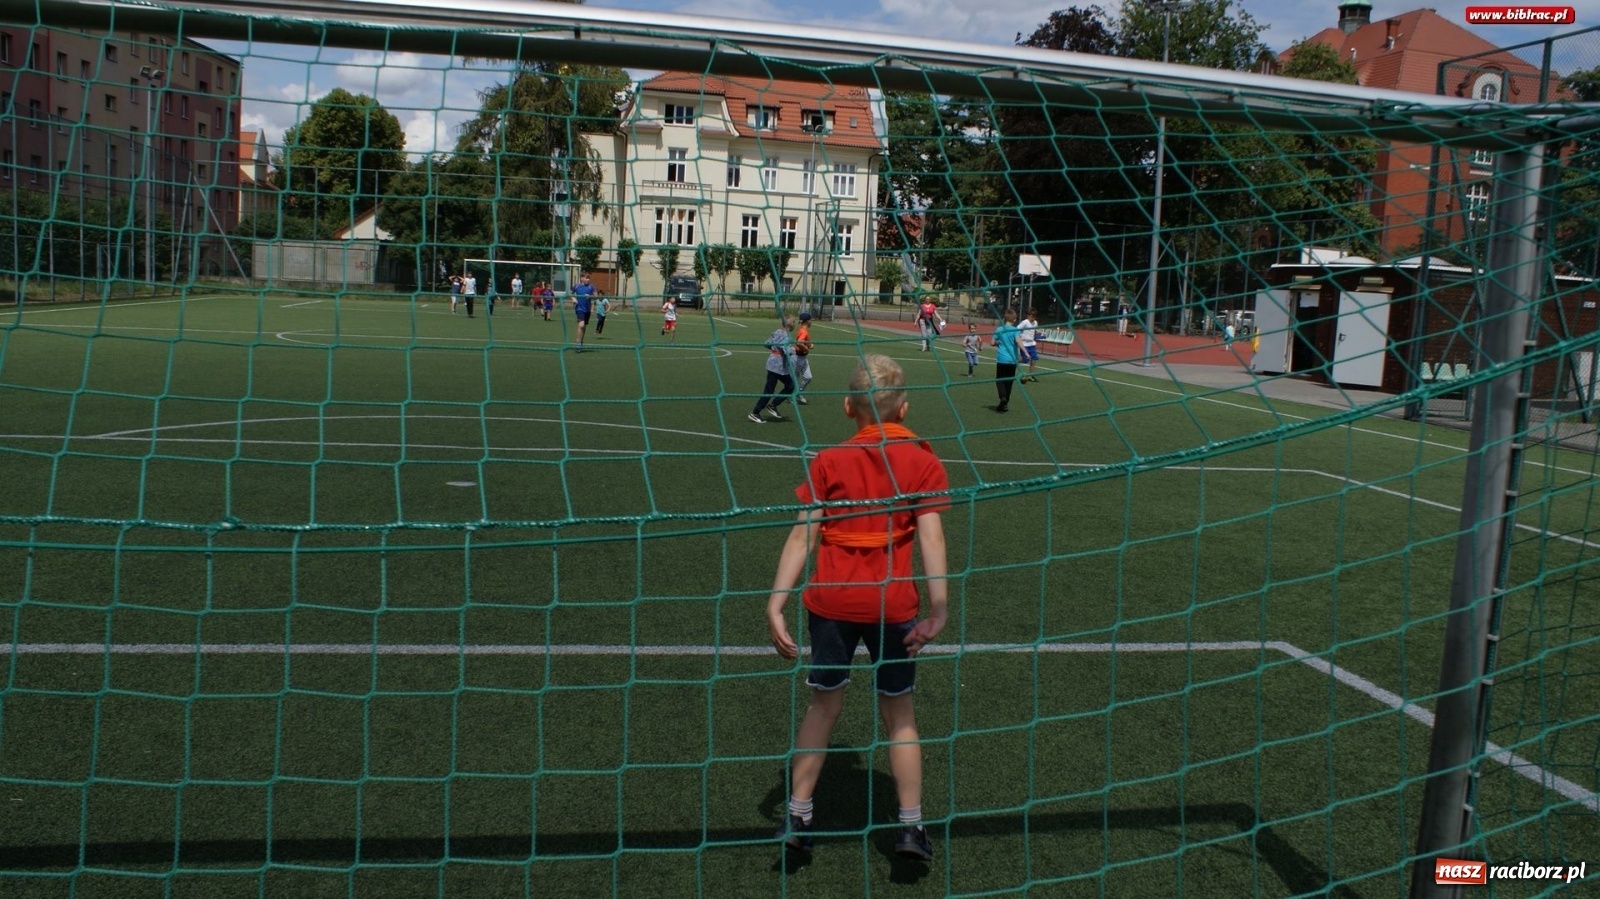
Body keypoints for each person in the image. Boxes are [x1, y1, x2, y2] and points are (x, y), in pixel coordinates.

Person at [765, 353, 949, 864]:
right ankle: (910, 830)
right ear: (905, 409)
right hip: (894, 603)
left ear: (848, 407)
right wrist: (939, 607)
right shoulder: (923, 458)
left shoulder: (829, 460)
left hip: (832, 601)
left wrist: (776, 602)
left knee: (824, 706)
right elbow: (931, 537)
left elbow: (803, 534)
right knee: (901, 715)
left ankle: (798, 816)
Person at [748, 315, 797, 423]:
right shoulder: (787, 336)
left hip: (772, 363)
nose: (795, 324)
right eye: (794, 322)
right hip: (778, 366)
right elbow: (785, 349)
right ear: (789, 324)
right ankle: (756, 412)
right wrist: (793, 350)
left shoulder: (777, 332)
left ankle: (772, 406)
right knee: (775, 389)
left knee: (789, 385)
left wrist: (774, 349)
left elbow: (766, 343)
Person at [990, 309, 1024, 413]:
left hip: (1002, 359)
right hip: (1012, 361)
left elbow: (992, 343)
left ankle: (1003, 398)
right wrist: (1025, 352)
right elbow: (1018, 341)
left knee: (1000, 380)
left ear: (1004, 318)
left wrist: (998, 343)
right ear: (1014, 319)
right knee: (1009, 382)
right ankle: (1005, 403)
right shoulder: (1015, 330)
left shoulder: (999, 329)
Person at [793, 311, 815, 405]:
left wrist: (808, 345)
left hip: (802, 357)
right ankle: (794, 395)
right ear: (806, 321)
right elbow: (799, 342)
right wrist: (806, 348)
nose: (811, 322)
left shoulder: (802, 329)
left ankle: (798, 393)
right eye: (810, 320)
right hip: (798, 357)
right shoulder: (804, 331)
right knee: (795, 379)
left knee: (808, 377)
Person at [572, 275, 595, 351]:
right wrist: (573, 298)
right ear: (582, 278)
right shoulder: (576, 286)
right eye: (586, 278)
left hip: (587, 310)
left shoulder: (591, 287)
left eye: (589, 278)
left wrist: (590, 296)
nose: (588, 279)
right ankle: (578, 343)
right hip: (579, 309)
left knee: (584, 326)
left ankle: (581, 341)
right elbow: (570, 293)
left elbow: (597, 296)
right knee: (581, 325)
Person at [1018, 308, 1040, 382]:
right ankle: (1015, 362)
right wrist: (1019, 337)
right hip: (1024, 344)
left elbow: (1034, 331)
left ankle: (1031, 376)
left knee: (1033, 360)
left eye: (1034, 315)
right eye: (1032, 315)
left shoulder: (1035, 323)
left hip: (1032, 344)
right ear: (1028, 315)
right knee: (1025, 360)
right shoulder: (1025, 322)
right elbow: (1017, 329)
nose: (1033, 317)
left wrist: (1038, 335)